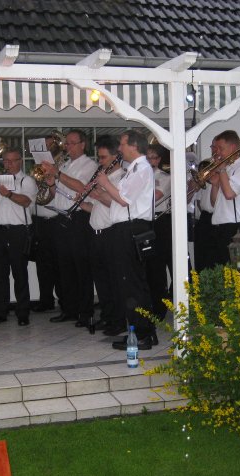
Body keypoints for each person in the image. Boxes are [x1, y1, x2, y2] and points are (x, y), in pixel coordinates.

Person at [95, 130, 156, 350]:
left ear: (134, 146)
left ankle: (143, 334)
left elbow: (123, 200)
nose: (119, 149)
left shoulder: (142, 169)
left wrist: (104, 181)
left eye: (122, 144)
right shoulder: (133, 169)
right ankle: (138, 331)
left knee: (133, 284)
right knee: (128, 283)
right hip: (124, 228)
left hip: (132, 228)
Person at [41, 129, 97, 327]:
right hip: (62, 217)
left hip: (79, 218)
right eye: (67, 143)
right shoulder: (64, 164)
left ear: (83, 145)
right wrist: (51, 184)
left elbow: (82, 187)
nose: (68, 146)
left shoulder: (90, 165)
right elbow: (57, 194)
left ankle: (85, 312)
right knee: (64, 268)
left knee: (81, 268)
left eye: (72, 143)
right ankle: (69, 309)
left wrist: (57, 174)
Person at [0, 147, 38, 326]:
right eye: (5, 161)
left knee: (19, 273)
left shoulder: (26, 180)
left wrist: (8, 194)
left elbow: (26, 201)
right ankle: (0, 312)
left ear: (19, 161)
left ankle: (23, 313)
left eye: (11, 161)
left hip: (18, 231)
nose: (7, 164)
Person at [80, 135, 124, 333]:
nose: (100, 161)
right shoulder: (103, 178)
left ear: (116, 157)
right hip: (96, 233)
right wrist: (81, 203)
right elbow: (96, 208)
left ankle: (118, 321)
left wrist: (98, 193)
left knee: (114, 281)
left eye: (104, 157)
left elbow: (119, 205)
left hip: (111, 234)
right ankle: (107, 317)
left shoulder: (121, 178)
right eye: (99, 157)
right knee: (102, 281)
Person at [208, 130, 240, 266]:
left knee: (238, 271)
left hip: (238, 228)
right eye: (216, 148)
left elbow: (229, 194)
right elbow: (214, 203)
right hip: (222, 227)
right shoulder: (226, 168)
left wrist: (221, 170)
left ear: (233, 148)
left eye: (221, 148)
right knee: (222, 270)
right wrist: (215, 184)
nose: (217, 152)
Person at [31, 134, 62, 313]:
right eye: (45, 146)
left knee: (59, 263)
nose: (48, 148)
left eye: (50, 145)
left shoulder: (61, 166)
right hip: (40, 222)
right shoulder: (39, 167)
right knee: (42, 265)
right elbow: (36, 195)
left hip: (56, 221)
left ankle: (64, 300)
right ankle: (46, 300)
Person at [145, 144, 172, 320]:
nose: (150, 161)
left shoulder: (164, 177)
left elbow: (155, 197)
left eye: (153, 157)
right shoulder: (139, 176)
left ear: (159, 160)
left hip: (160, 221)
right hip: (145, 221)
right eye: (147, 157)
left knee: (158, 267)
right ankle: (148, 304)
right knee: (147, 266)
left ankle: (160, 308)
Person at [192, 140, 218, 271]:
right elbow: (198, 199)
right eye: (213, 146)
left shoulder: (224, 169)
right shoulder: (205, 165)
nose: (214, 149)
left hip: (218, 217)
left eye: (217, 147)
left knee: (214, 257)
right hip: (205, 217)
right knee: (201, 254)